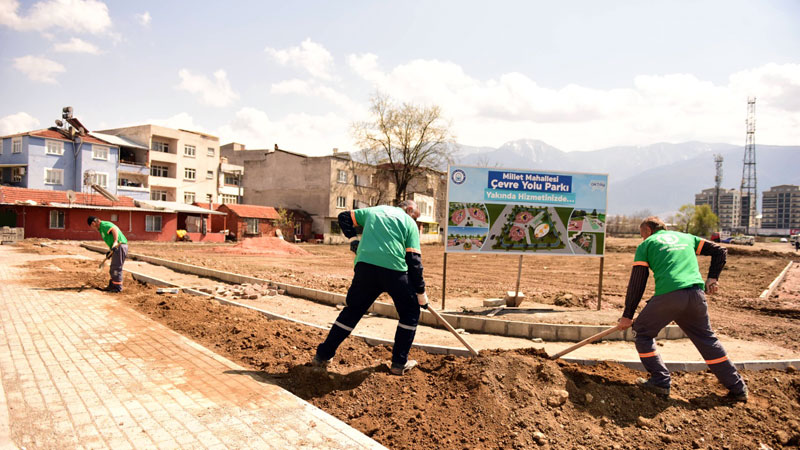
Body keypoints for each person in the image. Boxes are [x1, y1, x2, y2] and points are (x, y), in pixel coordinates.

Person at [617, 216, 748, 401]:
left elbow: (638, 282)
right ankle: (738, 388)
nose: (642, 238)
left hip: (669, 296)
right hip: (696, 295)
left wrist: (627, 316)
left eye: (642, 234)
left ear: (647, 230)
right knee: (707, 340)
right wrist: (712, 278)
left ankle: (660, 381)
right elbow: (720, 250)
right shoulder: (686, 237)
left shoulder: (647, 245)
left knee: (642, 332)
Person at [312, 200, 428, 375]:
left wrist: (353, 239)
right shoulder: (408, 221)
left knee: (353, 311)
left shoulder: (374, 211)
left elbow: (344, 217)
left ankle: (323, 355)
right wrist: (420, 292)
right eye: (415, 216)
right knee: (410, 313)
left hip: (365, 268)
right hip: (394, 272)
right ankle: (398, 363)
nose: (415, 220)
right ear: (410, 209)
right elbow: (414, 261)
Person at [88, 216, 129, 292]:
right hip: (116, 247)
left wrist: (115, 241)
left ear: (93, 223)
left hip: (119, 245)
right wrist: (110, 251)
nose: (93, 228)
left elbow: (114, 229)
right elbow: (110, 238)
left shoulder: (103, 225)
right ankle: (112, 285)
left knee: (116, 268)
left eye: (91, 226)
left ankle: (117, 288)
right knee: (113, 268)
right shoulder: (101, 228)